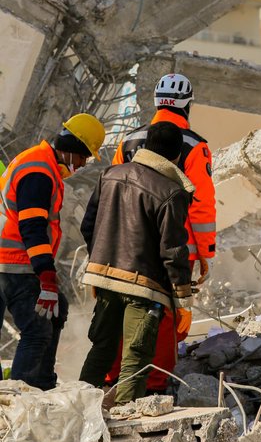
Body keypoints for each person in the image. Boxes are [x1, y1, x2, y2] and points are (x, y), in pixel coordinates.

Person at [108, 72, 216, 394]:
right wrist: (206, 253)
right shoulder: (196, 146)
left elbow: (115, 187)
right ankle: (154, 386)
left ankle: (115, 380)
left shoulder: (127, 140)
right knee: (167, 317)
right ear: (187, 106)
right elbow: (201, 206)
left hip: (125, 245)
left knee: (124, 310)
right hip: (172, 247)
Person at [79, 121, 194, 404]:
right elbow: (174, 251)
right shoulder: (171, 192)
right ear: (178, 156)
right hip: (144, 287)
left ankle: (77, 408)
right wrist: (183, 300)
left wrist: (101, 263)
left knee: (102, 347)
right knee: (136, 355)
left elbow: (88, 226)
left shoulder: (110, 174)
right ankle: (124, 420)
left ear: (145, 147)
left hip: (104, 277)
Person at [0, 114, 105, 388]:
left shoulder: (39, 161)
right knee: (37, 330)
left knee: (57, 308)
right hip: (15, 264)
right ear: (74, 149)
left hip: (12, 261)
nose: (82, 164)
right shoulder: (39, 172)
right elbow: (33, 228)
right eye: (84, 157)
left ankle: (43, 383)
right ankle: (23, 396)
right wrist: (46, 276)